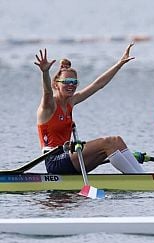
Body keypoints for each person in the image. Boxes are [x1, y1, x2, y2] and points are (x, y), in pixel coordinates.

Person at [34, 44, 145, 174]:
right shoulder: (49, 106)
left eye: (74, 82)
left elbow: (98, 84)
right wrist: (45, 72)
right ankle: (139, 179)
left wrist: (119, 63)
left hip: (70, 157)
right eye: (66, 82)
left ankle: (141, 176)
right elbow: (47, 92)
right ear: (56, 84)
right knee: (109, 142)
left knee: (117, 141)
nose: (71, 85)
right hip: (55, 162)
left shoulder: (71, 101)